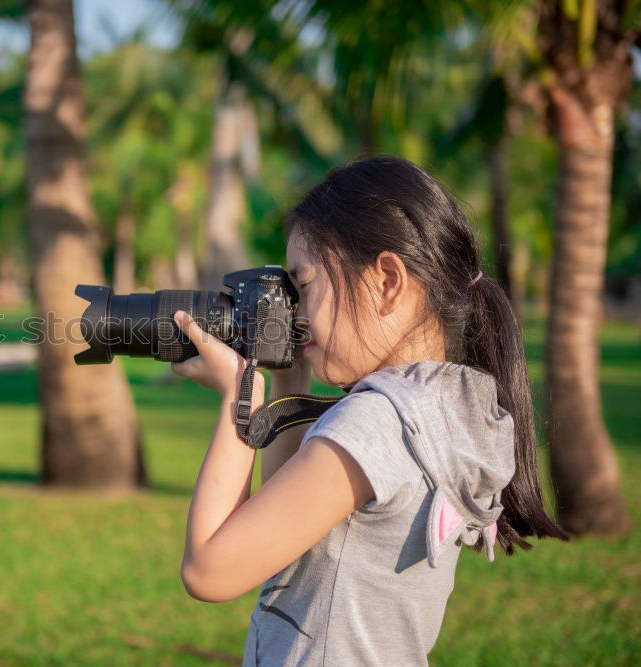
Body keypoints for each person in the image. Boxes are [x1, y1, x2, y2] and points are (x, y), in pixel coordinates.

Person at [170, 155, 568, 666]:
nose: (294, 309)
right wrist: (289, 375)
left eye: (304, 286)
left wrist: (237, 398)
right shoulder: (441, 410)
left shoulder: (375, 424)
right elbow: (284, 530)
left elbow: (209, 570)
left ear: (386, 281)